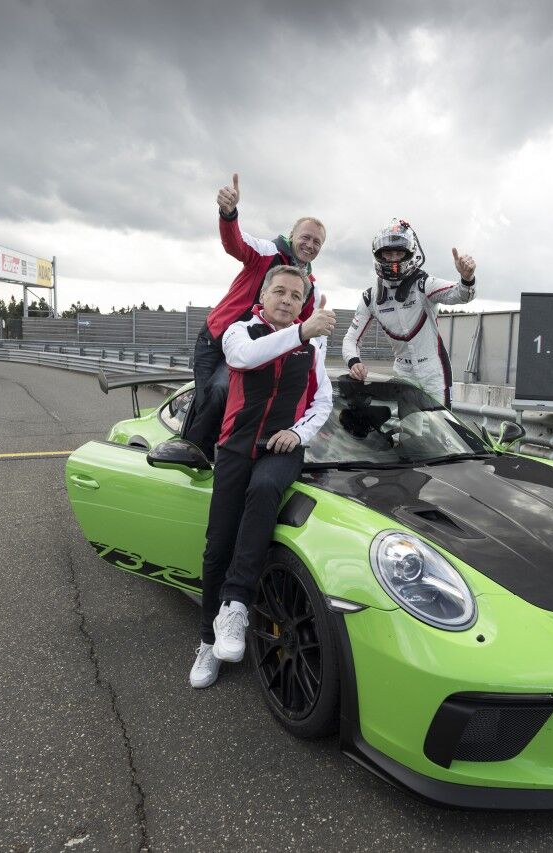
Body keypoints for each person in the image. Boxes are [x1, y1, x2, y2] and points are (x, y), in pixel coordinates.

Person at [189, 265, 336, 689]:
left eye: (296, 295)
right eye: (280, 292)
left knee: (266, 486)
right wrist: (303, 331)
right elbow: (245, 358)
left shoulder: (311, 347)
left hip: (280, 448)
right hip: (235, 447)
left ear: (302, 302)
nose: (287, 300)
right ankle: (207, 642)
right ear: (263, 296)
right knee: (217, 547)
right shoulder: (240, 332)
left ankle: (236, 606)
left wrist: (298, 432)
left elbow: (323, 401)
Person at [184, 173, 327, 460]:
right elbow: (235, 243)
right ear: (292, 235)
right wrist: (229, 213)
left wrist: (316, 371)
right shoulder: (267, 251)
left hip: (259, 349)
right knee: (214, 394)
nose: (310, 245)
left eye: (317, 242)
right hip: (218, 339)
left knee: (243, 406)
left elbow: (304, 331)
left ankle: (230, 459)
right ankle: (192, 454)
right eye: (306, 237)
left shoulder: (310, 287)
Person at [341, 219, 477, 407]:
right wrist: (353, 362)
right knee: (410, 426)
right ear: (379, 255)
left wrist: (467, 278)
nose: (394, 259)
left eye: (399, 253)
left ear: (410, 254)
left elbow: (461, 295)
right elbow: (350, 339)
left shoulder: (423, 284)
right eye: (388, 253)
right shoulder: (370, 297)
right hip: (403, 372)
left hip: (434, 370)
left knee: (442, 424)